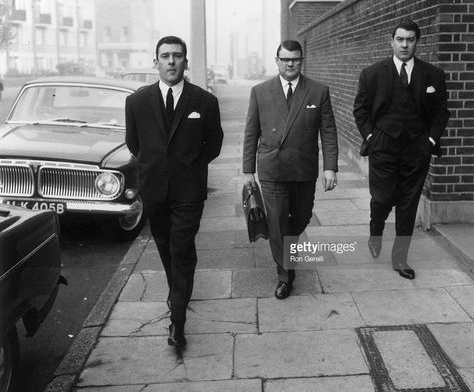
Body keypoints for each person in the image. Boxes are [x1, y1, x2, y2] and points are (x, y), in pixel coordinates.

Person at [125, 36, 223, 347]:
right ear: (155, 62)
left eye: (177, 56)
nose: (171, 62)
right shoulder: (137, 101)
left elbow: (214, 144)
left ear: (185, 62)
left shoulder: (204, 101)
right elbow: (134, 144)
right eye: (165, 56)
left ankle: (177, 321)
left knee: (181, 248)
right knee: (167, 249)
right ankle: (176, 293)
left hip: (188, 191)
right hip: (155, 190)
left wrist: (189, 167)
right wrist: (157, 167)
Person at [353, 20, 450, 280]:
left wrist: (430, 140)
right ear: (391, 41)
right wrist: (372, 137)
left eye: (410, 39)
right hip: (383, 146)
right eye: (400, 39)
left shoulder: (433, 75)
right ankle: (376, 229)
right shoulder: (372, 74)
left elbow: (442, 112)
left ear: (418, 42)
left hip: (417, 149)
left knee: (408, 204)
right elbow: (360, 110)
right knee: (383, 198)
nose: (404, 44)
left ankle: (400, 259)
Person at [242, 40, 338, 299]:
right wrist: (248, 170)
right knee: (277, 222)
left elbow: (328, 131)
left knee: (301, 217)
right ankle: (285, 273)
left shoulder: (318, 91)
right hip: (272, 168)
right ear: (277, 61)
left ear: (301, 60)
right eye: (285, 59)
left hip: (303, 169)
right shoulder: (260, 92)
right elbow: (251, 132)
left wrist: (330, 167)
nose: (290, 63)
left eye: (295, 59)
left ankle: (289, 251)